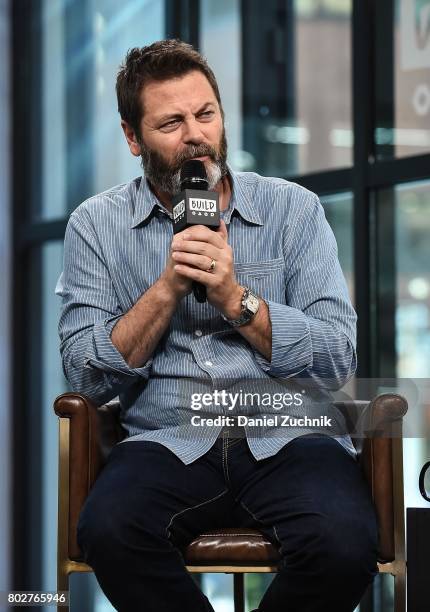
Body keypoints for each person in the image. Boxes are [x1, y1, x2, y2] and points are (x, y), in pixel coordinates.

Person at [57, 39, 378, 612]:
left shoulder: (294, 209)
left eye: (205, 114)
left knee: (343, 541)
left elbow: (338, 357)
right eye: (171, 122)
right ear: (133, 138)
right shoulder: (96, 225)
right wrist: (166, 290)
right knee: (109, 530)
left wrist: (237, 300)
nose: (195, 135)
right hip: (166, 437)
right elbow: (85, 374)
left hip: (291, 434)